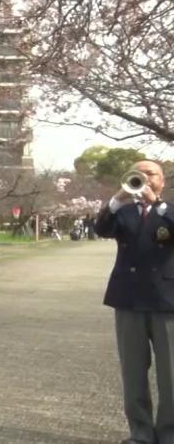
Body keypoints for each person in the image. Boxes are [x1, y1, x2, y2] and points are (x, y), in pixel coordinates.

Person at [94, 160, 174, 444]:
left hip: (167, 300)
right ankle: (140, 432)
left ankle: (169, 433)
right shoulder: (124, 212)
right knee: (133, 372)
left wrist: (160, 206)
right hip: (128, 298)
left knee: (171, 374)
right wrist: (117, 198)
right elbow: (101, 228)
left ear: (162, 181)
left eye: (151, 174)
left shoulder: (170, 211)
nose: (145, 178)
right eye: (138, 174)